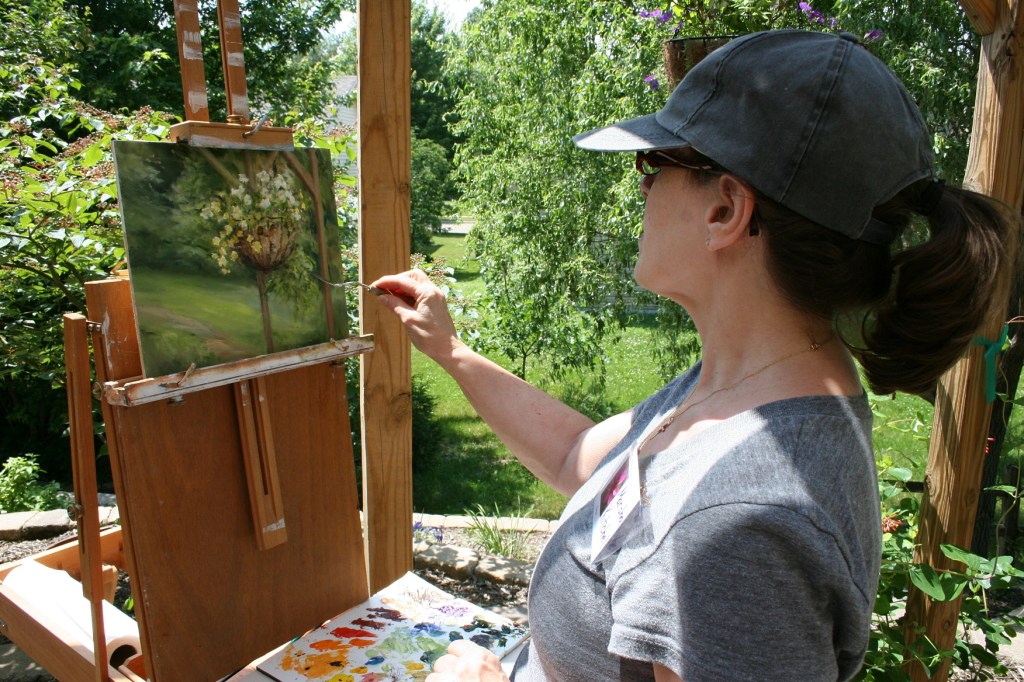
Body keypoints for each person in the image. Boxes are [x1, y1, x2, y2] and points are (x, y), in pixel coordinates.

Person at [373, 29, 1017, 681]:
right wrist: (450, 350)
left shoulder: (740, 524)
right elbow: (579, 459)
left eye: (653, 166)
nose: (642, 190)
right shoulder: (743, 387)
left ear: (726, 209)